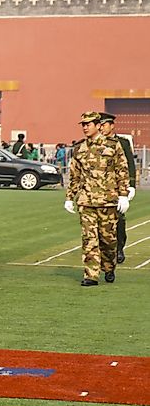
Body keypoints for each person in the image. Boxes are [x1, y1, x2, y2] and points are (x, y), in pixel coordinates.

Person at [64, 111, 130, 286]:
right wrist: (70, 197)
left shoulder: (113, 146)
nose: (85, 127)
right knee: (89, 239)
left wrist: (124, 195)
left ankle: (109, 266)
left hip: (108, 201)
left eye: (89, 124)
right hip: (87, 202)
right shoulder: (79, 148)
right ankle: (91, 275)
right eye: (83, 124)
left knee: (108, 240)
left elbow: (122, 171)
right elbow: (75, 176)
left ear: (98, 125)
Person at [98, 112, 137, 264]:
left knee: (119, 219)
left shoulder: (123, 142)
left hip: (117, 187)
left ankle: (119, 248)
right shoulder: (95, 143)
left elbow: (130, 164)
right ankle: (102, 251)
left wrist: (131, 185)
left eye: (104, 125)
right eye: (99, 125)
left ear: (112, 126)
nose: (101, 128)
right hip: (99, 187)